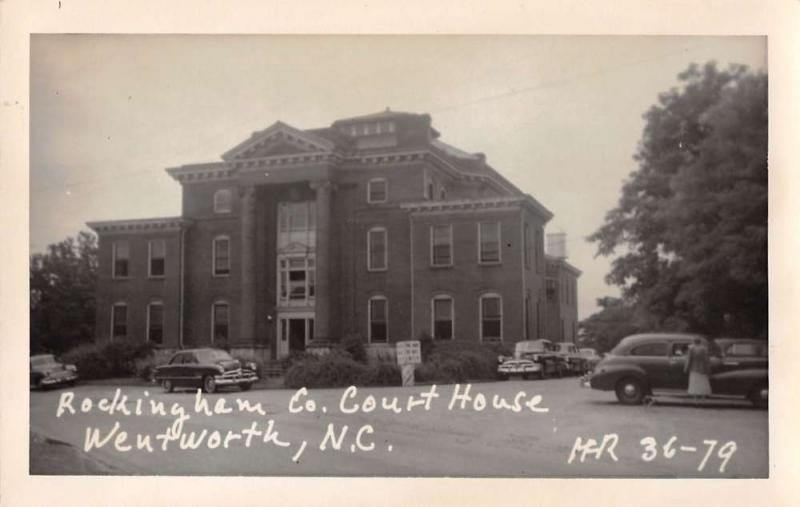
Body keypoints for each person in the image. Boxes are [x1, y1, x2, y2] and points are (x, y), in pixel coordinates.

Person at [684, 337, 712, 402]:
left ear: (694, 341)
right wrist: (708, 368)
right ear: (700, 342)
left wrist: (686, 368)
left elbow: (688, 359)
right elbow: (707, 359)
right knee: (703, 382)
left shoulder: (691, 348)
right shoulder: (704, 348)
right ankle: (703, 398)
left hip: (693, 368)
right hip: (703, 368)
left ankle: (695, 398)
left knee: (694, 383)